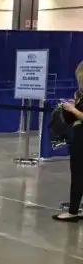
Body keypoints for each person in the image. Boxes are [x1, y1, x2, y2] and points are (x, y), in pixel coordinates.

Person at [53, 60, 83, 222]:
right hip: (78, 136)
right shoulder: (80, 94)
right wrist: (72, 106)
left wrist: (73, 110)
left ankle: (73, 211)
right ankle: (76, 208)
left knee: (78, 174)